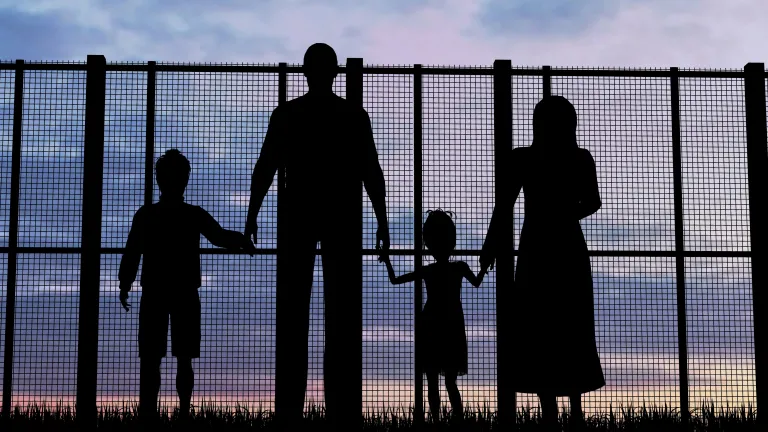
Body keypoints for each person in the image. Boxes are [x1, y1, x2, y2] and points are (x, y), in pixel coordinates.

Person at [244, 42, 390, 430]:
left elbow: (266, 166)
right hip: (341, 214)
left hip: (299, 214)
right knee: (341, 316)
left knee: (294, 314)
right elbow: (371, 170)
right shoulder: (352, 115)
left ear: (306, 72)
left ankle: (290, 412)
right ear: (336, 72)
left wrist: (252, 213)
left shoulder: (289, 114)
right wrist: (382, 219)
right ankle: (341, 412)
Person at [480, 95, 604, 428]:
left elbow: (503, 206)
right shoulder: (577, 158)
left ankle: (555, 410)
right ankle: (570, 411)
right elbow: (592, 202)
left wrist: (491, 245)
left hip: (539, 245)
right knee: (564, 323)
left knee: (549, 322)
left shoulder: (526, 158)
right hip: (562, 245)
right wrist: (565, 213)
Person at [118, 149, 257, 421]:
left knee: (151, 358)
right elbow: (218, 236)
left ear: (159, 180)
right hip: (185, 291)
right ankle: (183, 412)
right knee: (184, 357)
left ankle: (148, 413)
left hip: (155, 291)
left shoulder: (147, 215)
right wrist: (241, 240)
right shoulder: (192, 215)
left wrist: (125, 283)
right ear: (185, 180)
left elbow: (132, 250)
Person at [380, 209, 485, 424]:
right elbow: (477, 282)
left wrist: (387, 259)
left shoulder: (429, 270)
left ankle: (436, 421)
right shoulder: (459, 267)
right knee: (449, 381)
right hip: (452, 324)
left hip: (431, 324)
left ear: (428, 242)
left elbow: (394, 280)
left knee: (432, 381)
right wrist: (485, 264)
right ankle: (458, 420)